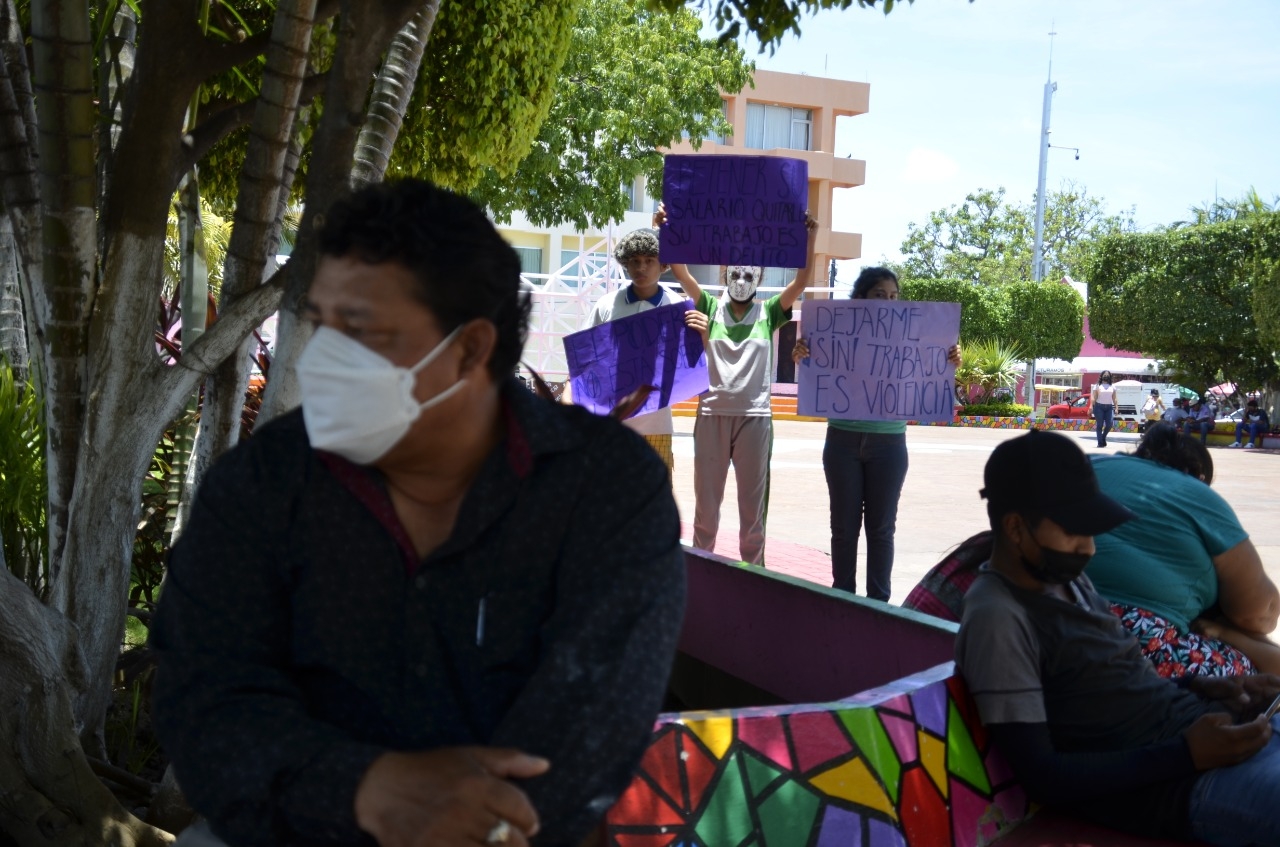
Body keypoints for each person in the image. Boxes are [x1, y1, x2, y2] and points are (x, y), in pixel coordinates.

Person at [151, 180, 687, 847]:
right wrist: (365, 789)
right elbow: (202, 700)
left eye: (362, 330)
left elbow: (590, 730)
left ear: (468, 349)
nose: (324, 358)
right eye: (321, 323)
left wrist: (468, 821)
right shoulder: (261, 483)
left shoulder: (607, 489)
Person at [956, 428, 1280, 844]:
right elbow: (1045, 778)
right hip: (1179, 787)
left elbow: (1112, 691)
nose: (1088, 548)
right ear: (1016, 528)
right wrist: (1187, 754)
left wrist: (1206, 686)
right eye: (1074, 531)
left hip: (1204, 736)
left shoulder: (1064, 579)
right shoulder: (999, 616)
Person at [652, 205, 818, 566]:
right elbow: (680, 271)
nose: (742, 280)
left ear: (759, 277)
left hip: (755, 420)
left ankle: (753, 583)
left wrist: (809, 236)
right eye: (736, 273)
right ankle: (702, 586)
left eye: (750, 274)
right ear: (725, 273)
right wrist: (667, 227)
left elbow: (802, 282)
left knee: (752, 518)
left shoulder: (771, 311)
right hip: (711, 416)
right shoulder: (709, 307)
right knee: (705, 515)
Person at [788, 268, 962, 601]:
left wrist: (950, 359)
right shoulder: (837, 329)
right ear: (860, 299)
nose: (888, 303)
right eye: (880, 295)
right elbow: (818, 368)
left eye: (894, 297)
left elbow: (930, 370)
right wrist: (802, 355)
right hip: (842, 441)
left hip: (889, 444)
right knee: (843, 529)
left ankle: (878, 604)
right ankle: (843, 598)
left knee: (882, 530)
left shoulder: (914, 336)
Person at [1086, 422, 1280, 676]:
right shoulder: (1197, 494)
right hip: (1134, 643)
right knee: (1260, 682)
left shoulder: (1088, 465)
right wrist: (1228, 632)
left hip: (1038, 616)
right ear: (1200, 478)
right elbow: (1257, 614)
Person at [578, 226, 692, 475]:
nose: (641, 267)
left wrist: (704, 335)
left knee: (655, 496)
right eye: (634, 261)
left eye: (649, 261)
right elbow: (585, 359)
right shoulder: (607, 305)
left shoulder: (677, 307)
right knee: (610, 492)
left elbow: (691, 363)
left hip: (658, 424)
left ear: (663, 266)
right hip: (613, 421)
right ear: (625, 264)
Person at [1090, 370, 1116, 447]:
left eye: (1107, 374)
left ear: (1110, 376)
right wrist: (1091, 406)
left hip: (1109, 408)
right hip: (1099, 407)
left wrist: (1117, 407)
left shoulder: (1113, 386)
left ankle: (1103, 437)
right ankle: (1100, 442)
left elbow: (1114, 398)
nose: (1106, 375)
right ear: (1101, 376)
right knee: (1099, 425)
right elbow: (1094, 397)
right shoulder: (1097, 386)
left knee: (1109, 424)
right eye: (1104, 374)